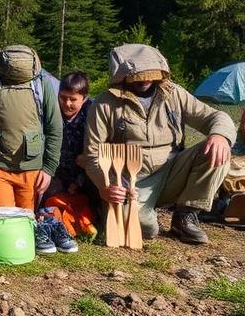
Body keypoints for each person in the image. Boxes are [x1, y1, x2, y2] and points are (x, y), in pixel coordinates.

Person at [84, 44, 236, 244]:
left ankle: (185, 216)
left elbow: (215, 117)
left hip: (173, 170)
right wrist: (106, 186)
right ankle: (140, 212)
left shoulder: (173, 94)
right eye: (139, 75)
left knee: (216, 151)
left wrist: (220, 136)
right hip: (132, 179)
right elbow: (93, 155)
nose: (146, 79)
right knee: (145, 229)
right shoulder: (105, 104)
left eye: (151, 74)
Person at [0, 44, 68, 253]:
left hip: (32, 170)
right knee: (7, 222)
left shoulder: (41, 86)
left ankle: (42, 230)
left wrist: (48, 169)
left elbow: (55, 128)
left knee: (25, 224)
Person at [41, 71, 98, 239]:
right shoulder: (51, 111)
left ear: (84, 98)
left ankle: (90, 220)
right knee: (48, 197)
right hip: (56, 171)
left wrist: (79, 181)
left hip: (85, 172)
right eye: (63, 97)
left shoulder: (93, 114)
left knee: (92, 194)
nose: (67, 103)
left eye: (73, 99)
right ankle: (58, 221)